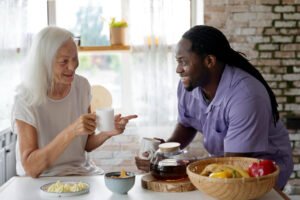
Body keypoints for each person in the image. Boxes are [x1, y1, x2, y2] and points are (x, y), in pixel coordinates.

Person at [136, 25, 293, 189]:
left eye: (183, 62)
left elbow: (234, 163)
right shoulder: (188, 85)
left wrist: (177, 164)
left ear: (209, 61)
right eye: (177, 62)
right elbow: (187, 123)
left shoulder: (246, 96)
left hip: (261, 171)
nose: (178, 70)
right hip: (223, 166)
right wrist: (162, 154)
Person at [11, 26, 137, 178]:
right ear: (44, 63)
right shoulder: (26, 97)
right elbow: (31, 168)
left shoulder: (82, 86)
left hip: (82, 175)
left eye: (75, 58)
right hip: (43, 179)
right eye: (64, 61)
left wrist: (107, 133)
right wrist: (72, 131)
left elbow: (86, 145)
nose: (72, 67)